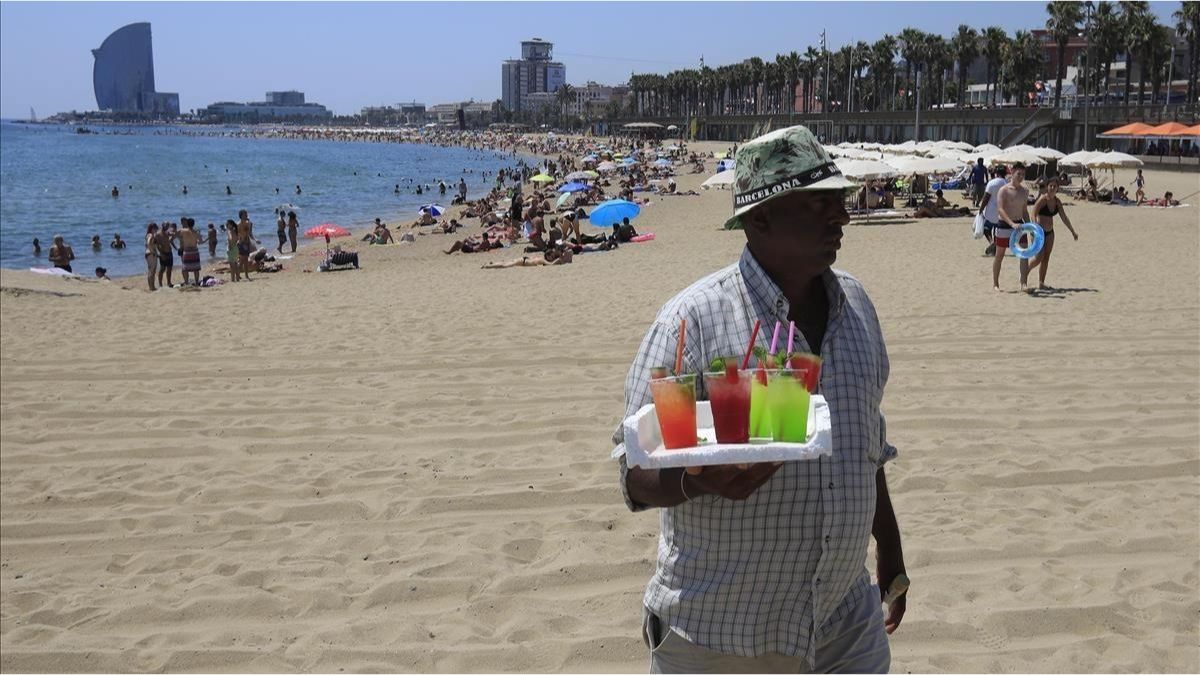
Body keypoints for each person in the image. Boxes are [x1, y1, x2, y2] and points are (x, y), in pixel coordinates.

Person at [614, 125, 905, 674]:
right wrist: (699, 478)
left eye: (839, 202)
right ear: (761, 218)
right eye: (819, 205)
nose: (840, 217)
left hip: (843, 617)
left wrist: (889, 551)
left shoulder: (858, 308)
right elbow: (634, 471)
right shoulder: (692, 323)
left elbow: (869, 443)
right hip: (723, 631)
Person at [1026, 177, 1079, 291]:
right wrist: (1035, 229)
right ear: (1047, 187)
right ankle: (1024, 274)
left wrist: (1072, 231)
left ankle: (1041, 283)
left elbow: (1064, 217)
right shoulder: (1042, 199)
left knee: (1046, 258)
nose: (1052, 188)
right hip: (1039, 232)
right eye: (1050, 185)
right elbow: (1033, 214)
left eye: (1055, 186)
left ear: (1057, 189)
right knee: (1038, 258)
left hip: (1050, 233)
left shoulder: (1057, 202)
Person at [994, 162, 1032, 292]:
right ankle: (996, 284)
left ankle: (1023, 283)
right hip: (1005, 225)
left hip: (1020, 225)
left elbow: (1025, 210)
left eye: (1023, 174)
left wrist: (1030, 227)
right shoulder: (1004, 190)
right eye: (1018, 174)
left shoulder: (1025, 191)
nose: (1021, 177)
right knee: (1000, 255)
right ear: (1012, 172)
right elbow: (1000, 210)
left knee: (1024, 254)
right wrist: (1011, 224)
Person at [977, 165, 1008, 257]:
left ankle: (991, 242)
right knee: (997, 231)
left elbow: (986, 198)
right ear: (1005, 173)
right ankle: (994, 249)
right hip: (1003, 211)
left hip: (991, 211)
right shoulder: (1008, 183)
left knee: (987, 229)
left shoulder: (992, 183)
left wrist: (981, 209)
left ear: (996, 173)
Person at [176, 218, 204, 286]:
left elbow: (175, 234)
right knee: (196, 268)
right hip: (194, 251)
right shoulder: (196, 232)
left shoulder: (182, 231)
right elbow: (200, 242)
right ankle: (197, 282)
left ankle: (186, 282)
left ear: (187, 224)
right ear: (193, 224)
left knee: (185, 268)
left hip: (187, 251)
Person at [236, 209, 257, 281]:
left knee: (246, 260)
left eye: (246, 214)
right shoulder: (238, 224)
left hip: (247, 243)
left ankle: (246, 275)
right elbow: (236, 234)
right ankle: (237, 275)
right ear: (241, 216)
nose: (246, 215)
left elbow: (250, 233)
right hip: (241, 243)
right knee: (241, 260)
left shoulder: (248, 223)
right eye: (245, 214)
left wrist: (255, 239)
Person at [154, 222, 176, 288]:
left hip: (169, 252)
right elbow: (156, 245)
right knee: (162, 269)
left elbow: (173, 234)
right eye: (166, 225)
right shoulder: (158, 234)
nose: (167, 227)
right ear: (162, 225)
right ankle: (160, 284)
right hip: (163, 253)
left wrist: (175, 232)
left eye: (168, 226)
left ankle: (169, 283)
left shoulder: (167, 232)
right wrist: (160, 254)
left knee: (169, 269)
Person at [144, 223, 159, 291]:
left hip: (148, 254)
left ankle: (152, 286)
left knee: (151, 271)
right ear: (152, 228)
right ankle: (151, 287)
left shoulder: (148, 235)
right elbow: (149, 243)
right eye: (155, 228)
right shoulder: (150, 235)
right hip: (151, 254)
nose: (156, 230)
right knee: (152, 271)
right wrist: (153, 251)